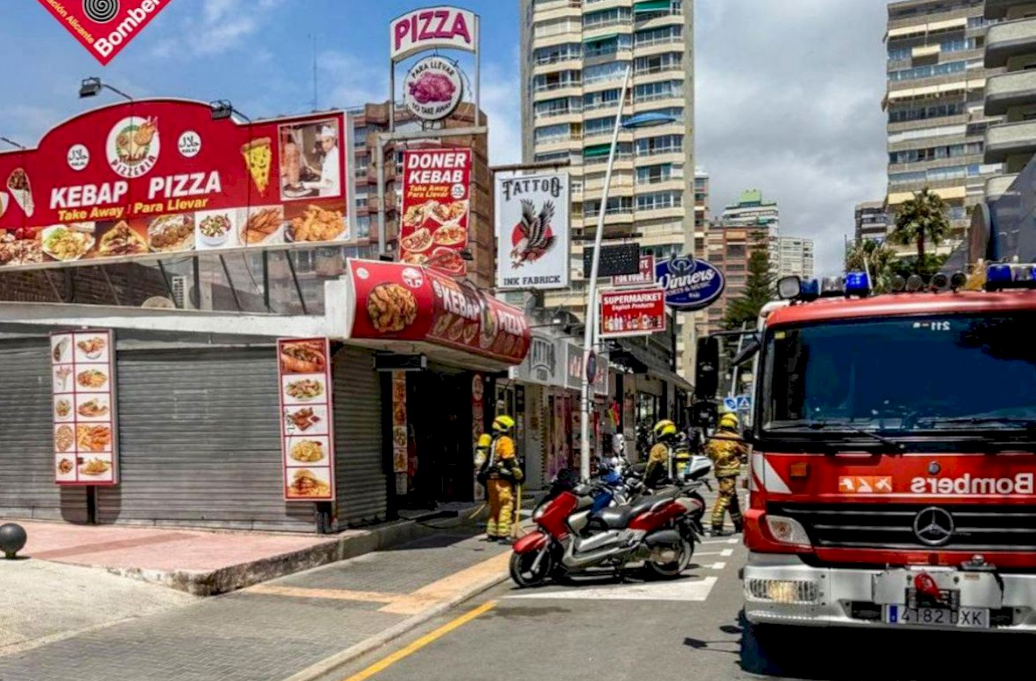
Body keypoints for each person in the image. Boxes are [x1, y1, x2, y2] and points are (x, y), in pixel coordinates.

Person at [481, 415, 523, 543]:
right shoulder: (505, 440)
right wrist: (517, 472)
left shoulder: (490, 440)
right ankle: (503, 535)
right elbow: (509, 458)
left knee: (494, 506)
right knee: (506, 505)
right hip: (502, 479)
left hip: (489, 478)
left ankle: (491, 533)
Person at [706, 412, 748, 536]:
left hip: (719, 471)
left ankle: (739, 525)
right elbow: (744, 451)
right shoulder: (734, 439)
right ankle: (716, 525)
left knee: (732, 499)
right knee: (725, 497)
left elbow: (709, 453)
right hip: (730, 472)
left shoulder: (714, 439)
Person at [302, 125, 341, 197]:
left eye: (327, 141)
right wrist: (314, 171)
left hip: (331, 195)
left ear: (334, 140)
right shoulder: (330, 154)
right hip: (327, 194)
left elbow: (327, 184)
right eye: (323, 142)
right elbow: (328, 175)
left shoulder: (334, 157)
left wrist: (307, 185)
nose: (324, 145)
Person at [645, 419, 678, 490]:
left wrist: (646, 480)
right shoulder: (675, 446)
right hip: (673, 481)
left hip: (660, 482)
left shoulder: (658, 447)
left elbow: (652, 465)